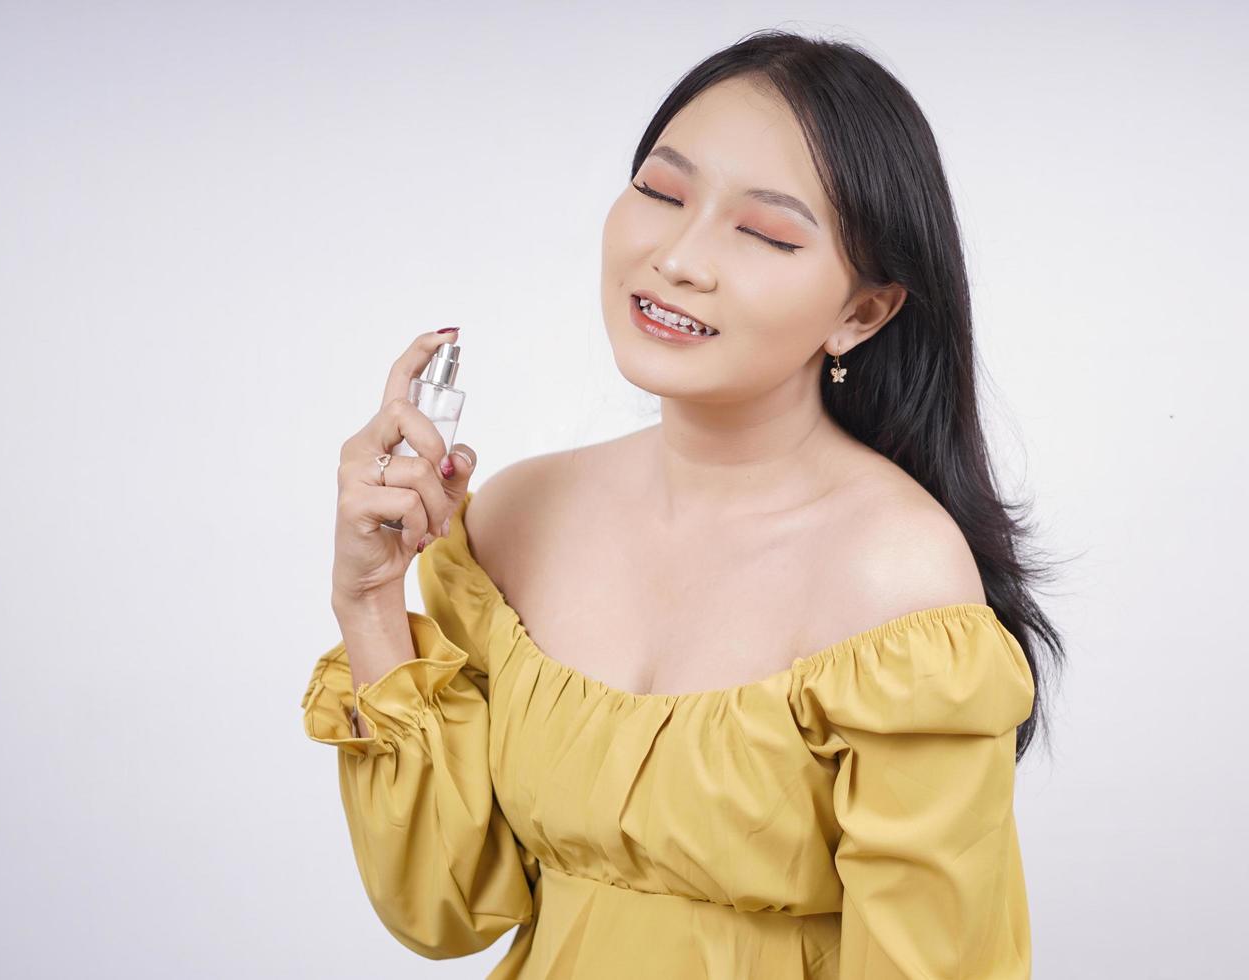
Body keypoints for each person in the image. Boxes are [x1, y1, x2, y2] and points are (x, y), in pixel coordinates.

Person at [300, 28, 1066, 979]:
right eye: (661, 192)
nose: (678, 257)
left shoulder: (898, 576)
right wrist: (372, 603)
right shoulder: (515, 516)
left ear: (862, 312)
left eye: (766, 233)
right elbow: (449, 906)